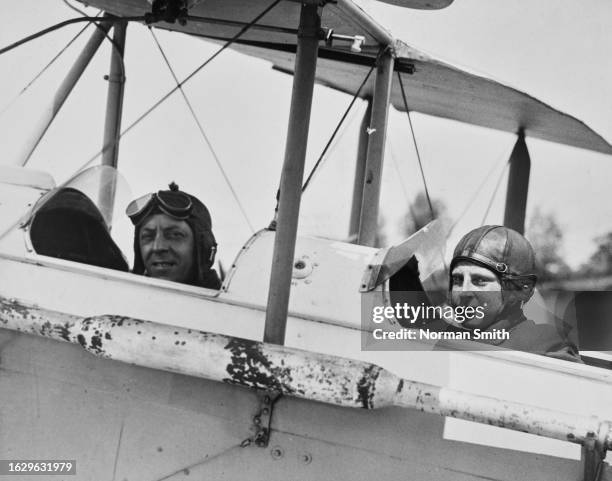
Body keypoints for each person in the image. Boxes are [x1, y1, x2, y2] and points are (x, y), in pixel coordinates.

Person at [443, 225, 580, 361]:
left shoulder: (545, 344)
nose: (463, 292)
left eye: (480, 280)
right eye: (458, 279)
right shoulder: (452, 336)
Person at [126, 182, 221, 289]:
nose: (158, 247)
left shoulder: (228, 305)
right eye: (148, 236)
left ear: (204, 247)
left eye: (175, 235)